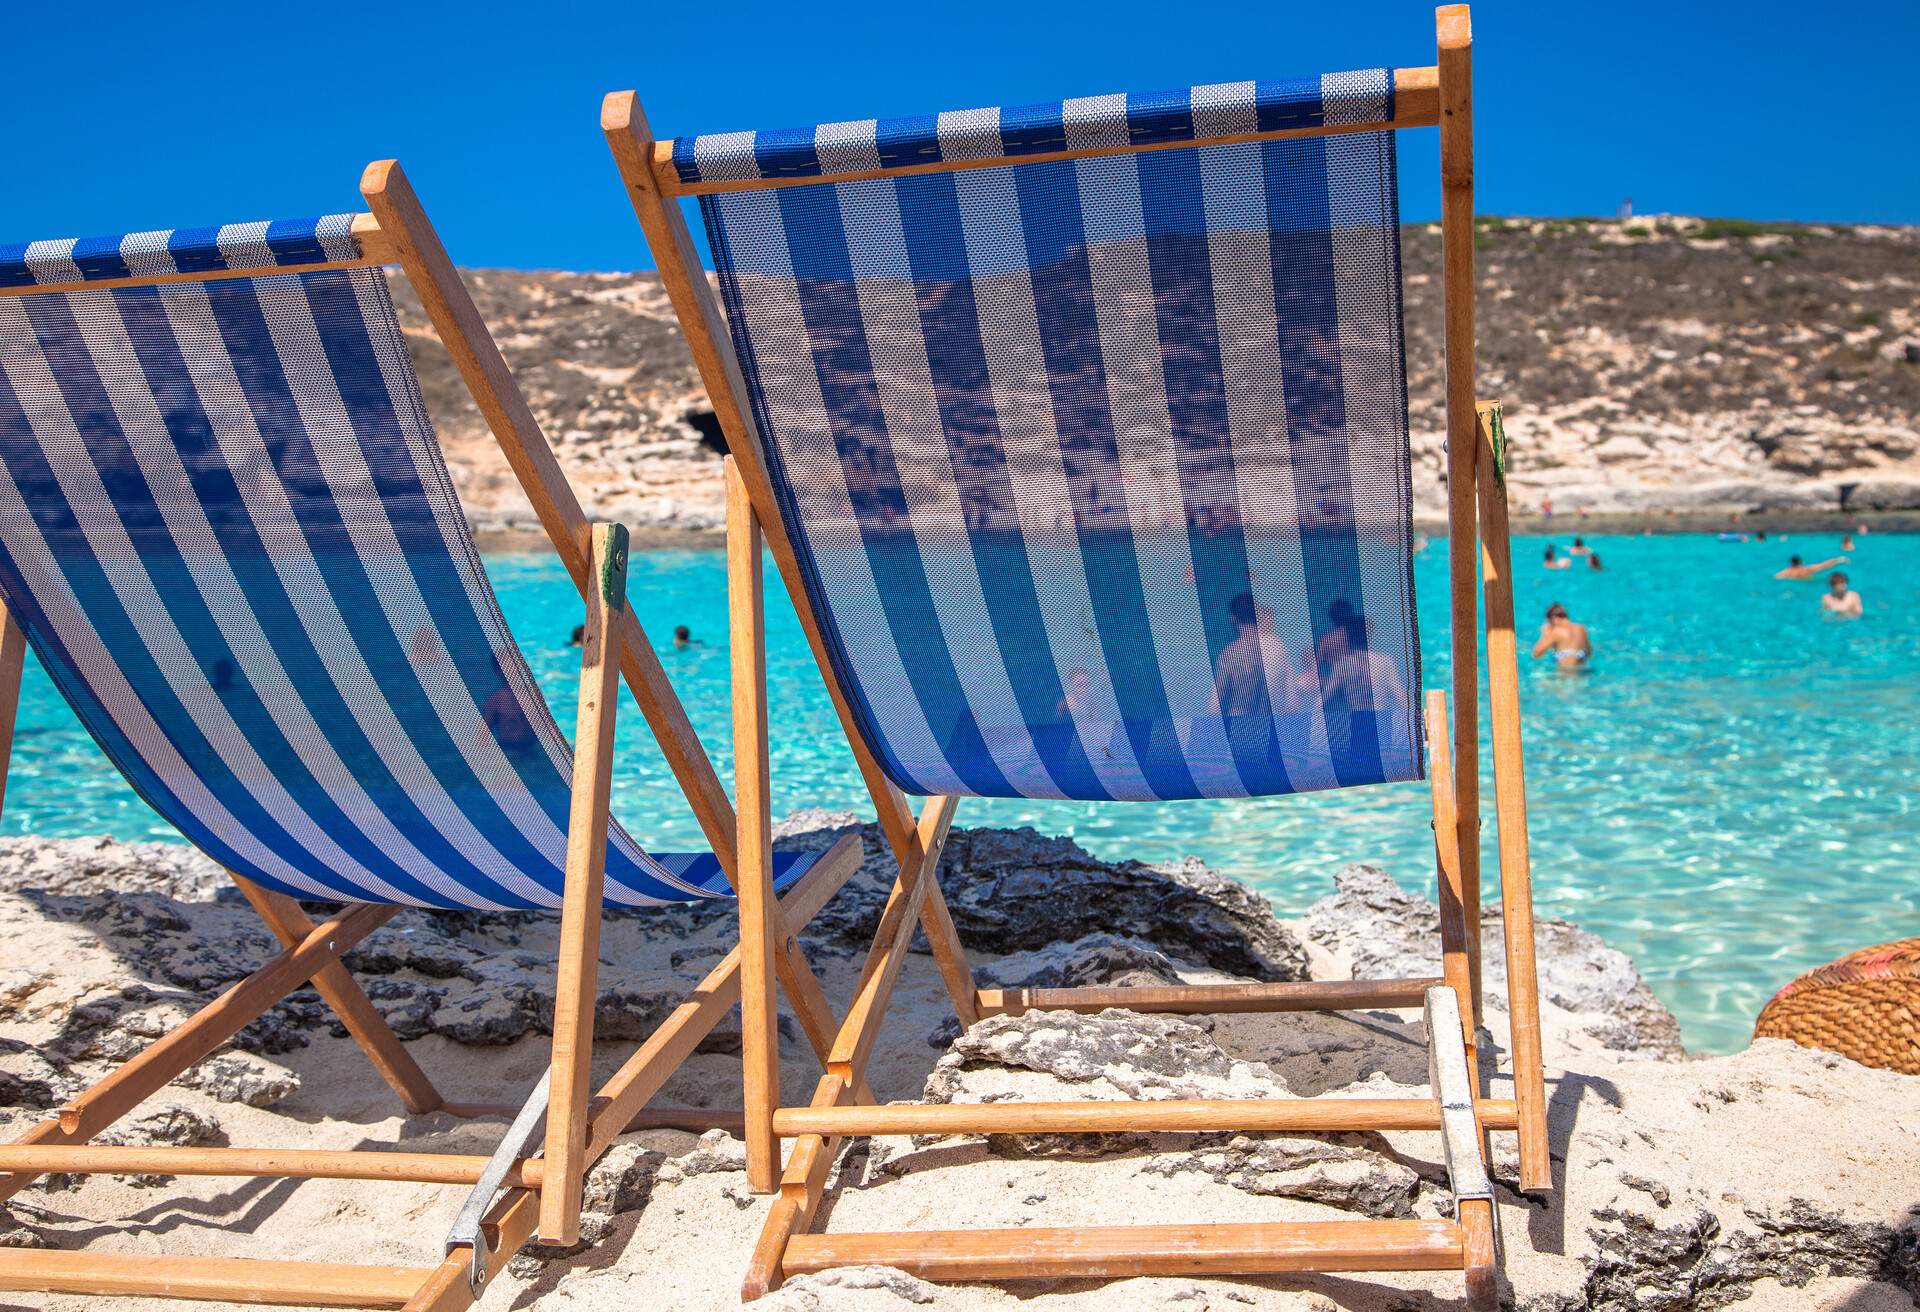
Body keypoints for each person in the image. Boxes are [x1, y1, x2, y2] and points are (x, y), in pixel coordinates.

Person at [1212, 593, 1299, 717]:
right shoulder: (1277, 646)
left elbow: (1215, 706)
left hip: (1240, 724)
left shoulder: (1230, 653)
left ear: (1233, 618)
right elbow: (1292, 703)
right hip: (1271, 724)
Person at [1530, 603, 1591, 670]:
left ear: (1554, 619)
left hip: (1565, 674)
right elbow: (1589, 653)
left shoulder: (1556, 632)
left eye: (1549, 623)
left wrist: (1545, 634)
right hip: (1583, 672)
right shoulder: (1581, 628)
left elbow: (1536, 654)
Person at [1774, 554, 1847, 581]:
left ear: (1790, 563)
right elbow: (1824, 565)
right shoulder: (1807, 569)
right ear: (1801, 562)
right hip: (1806, 581)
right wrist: (1838, 559)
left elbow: (1776, 577)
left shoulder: (1785, 572)